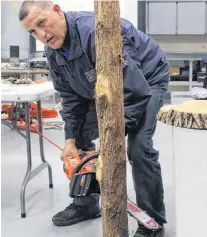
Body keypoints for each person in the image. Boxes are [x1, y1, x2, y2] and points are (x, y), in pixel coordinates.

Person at [19, 1, 170, 237]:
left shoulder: (97, 33)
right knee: (78, 141)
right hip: (98, 87)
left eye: (41, 23)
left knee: (139, 149)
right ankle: (86, 205)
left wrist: (110, 140)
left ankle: (152, 222)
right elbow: (70, 99)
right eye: (32, 31)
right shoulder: (53, 51)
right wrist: (70, 139)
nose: (41, 35)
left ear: (57, 11)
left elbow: (135, 91)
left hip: (146, 80)